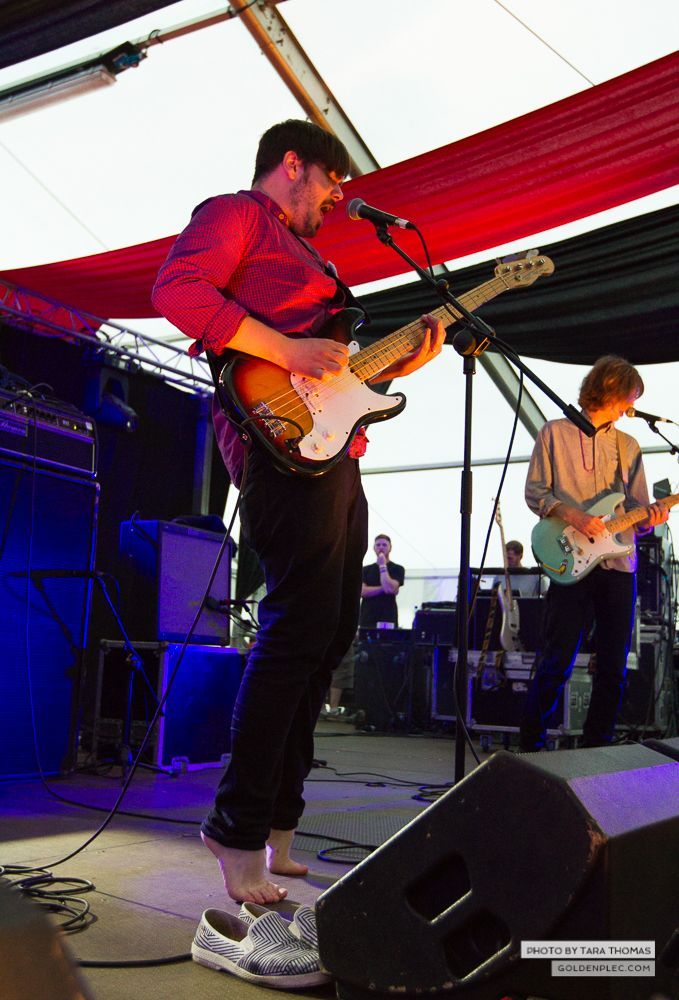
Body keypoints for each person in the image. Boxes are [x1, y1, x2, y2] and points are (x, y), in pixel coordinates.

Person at [151, 120, 445, 903]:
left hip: (333, 459)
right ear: (293, 165)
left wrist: (412, 351)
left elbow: (336, 366)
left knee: (325, 644)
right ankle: (235, 828)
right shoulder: (235, 215)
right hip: (280, 455)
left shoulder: (314, 259)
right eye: (330, 183)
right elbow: (176, 291)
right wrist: (286, 354)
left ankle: (280, 825)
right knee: (290, 640)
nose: (336, 199)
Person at [519, 355, 669, 752]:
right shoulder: (554, 433)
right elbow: (535, 491)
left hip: (619, 564)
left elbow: (637, 511)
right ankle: (530, 746)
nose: (629, 407)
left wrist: (650, 518)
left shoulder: (628, 444)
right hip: (570, 560)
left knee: (614, 666)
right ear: (610, 389)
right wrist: (575, 516)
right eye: (628, 398)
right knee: (557, 660)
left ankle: (596, 749)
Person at [359, 534, 405, 628]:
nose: (381, 547)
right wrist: (385, 587)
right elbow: (363, 592)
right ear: (374, 548)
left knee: (387, 642)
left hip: (388, 617)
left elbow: (391, 588)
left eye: (384, 545)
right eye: (378, 545)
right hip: (367, 617)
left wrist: (383, 566)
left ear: (390, 547)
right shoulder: (365, 570)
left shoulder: (397, 569)